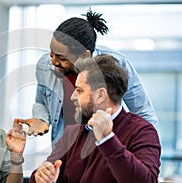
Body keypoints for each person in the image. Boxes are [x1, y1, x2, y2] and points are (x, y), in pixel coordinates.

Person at [19, 10, 158, 146]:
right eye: (51, 54)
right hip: (65, 149)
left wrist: (146, 154)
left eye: (61, 58)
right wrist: (41, 118)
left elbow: (143, 113)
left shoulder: (118, 65)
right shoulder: (44, 65)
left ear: (85, 56)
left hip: (103, 149)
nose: (53, 62)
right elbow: (41, 101)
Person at [29, 54, 161, 183]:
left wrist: (107, 139)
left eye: (79, 90)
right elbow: (44, 176)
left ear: (100, 95)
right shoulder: (73, 132)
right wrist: (43, 179)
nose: (73, 96)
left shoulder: (142, 131)